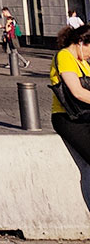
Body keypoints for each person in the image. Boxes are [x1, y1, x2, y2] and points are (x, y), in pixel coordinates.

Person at [49, 24, 90, 165]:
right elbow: (77, 92)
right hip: (69, 118)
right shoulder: (64, 56)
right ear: (81, 42)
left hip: (86, 115)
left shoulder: (83, 62)